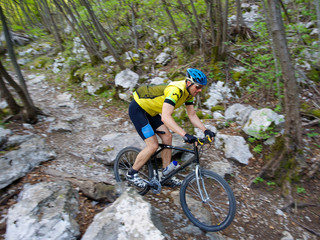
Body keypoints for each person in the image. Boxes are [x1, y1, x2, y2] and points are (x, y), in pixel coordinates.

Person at [127, 68, 215, 188]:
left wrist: (205, 130)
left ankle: (165, 175)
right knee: (153, 145)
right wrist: (184, 134)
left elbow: (192, 115)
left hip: (151, 112)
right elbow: (165, 117)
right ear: (189, 83)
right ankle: (131, 174)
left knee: (167, 137)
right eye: (198, 87)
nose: (199, 90)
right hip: (139, 109)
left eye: (201, 88)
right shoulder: (176, 90)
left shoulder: (189, 93)